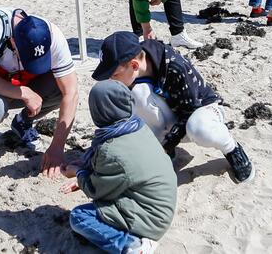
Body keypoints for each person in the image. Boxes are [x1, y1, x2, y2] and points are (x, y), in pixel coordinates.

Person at [92, 31, 255, 183]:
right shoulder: (131, 74)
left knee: (199, 129)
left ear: (134, 65)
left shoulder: (174, 66)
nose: (111, 81)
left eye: (114, 75)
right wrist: (95, 155)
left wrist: (168, 144)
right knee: (138, 94)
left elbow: (189, 110)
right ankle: (164, 152)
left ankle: (231, 149)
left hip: (201, 110)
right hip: (170, 115)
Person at [60, 80, 176, 254]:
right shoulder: (137, 126)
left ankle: (132, 247)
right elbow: (123, 171)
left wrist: (79, 173)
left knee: (79, 217)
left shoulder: (111, 150)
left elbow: (95, 190)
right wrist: (87, 166)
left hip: (150, 220)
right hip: (162, 206)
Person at [0, 8, 79, 172]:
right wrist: (25, 93)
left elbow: (72, 92)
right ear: (13, 42)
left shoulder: (54, 35)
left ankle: (22, 122)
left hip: (22, 82)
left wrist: (57, 146)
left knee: (60, 88)